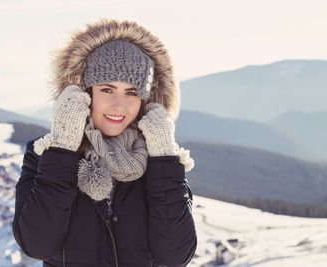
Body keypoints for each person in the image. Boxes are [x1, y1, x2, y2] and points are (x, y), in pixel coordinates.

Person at [12, 18, 197, 267]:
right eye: (107, 89)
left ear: (146, 100)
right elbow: (37, 245)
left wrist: (163, 158)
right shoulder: (46, 154)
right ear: (84, 92)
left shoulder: (160, 160)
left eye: (132, 92)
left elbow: (176, 256)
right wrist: (64, 147)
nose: (119, 105)